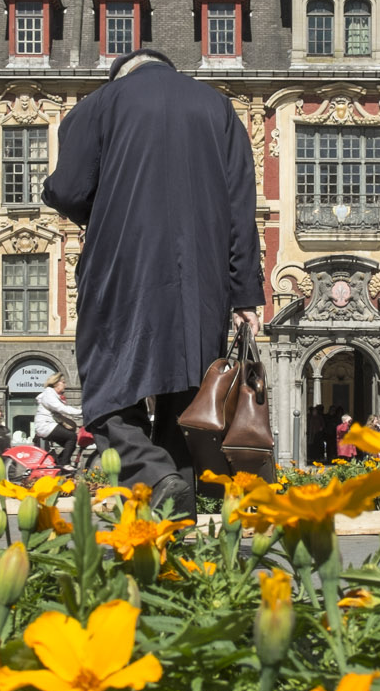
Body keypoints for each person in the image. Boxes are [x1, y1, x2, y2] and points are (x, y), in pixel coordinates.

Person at [42, 48, 263, 516]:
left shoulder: (99, 104)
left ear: (121, 73)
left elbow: (67, 189)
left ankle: (149, 470)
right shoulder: (218, 107)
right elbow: (242, 209)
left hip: (121, 263)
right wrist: (244, 294)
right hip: (202, 278)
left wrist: (92, 209)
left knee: (107, 384)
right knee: (188, 402)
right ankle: (175, 534)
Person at [31, 373, 85, 473]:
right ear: (56, 383)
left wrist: (80, 414)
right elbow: (62, 409)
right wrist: (82, 411)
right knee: (72, 437)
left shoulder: (54, 395)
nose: (65, 385)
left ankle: (58, 464)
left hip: (49, 425)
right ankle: (64, 464)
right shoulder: (49, 394)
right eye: (63, 382)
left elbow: (61, 413)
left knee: (69, 444)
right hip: (45, 426)